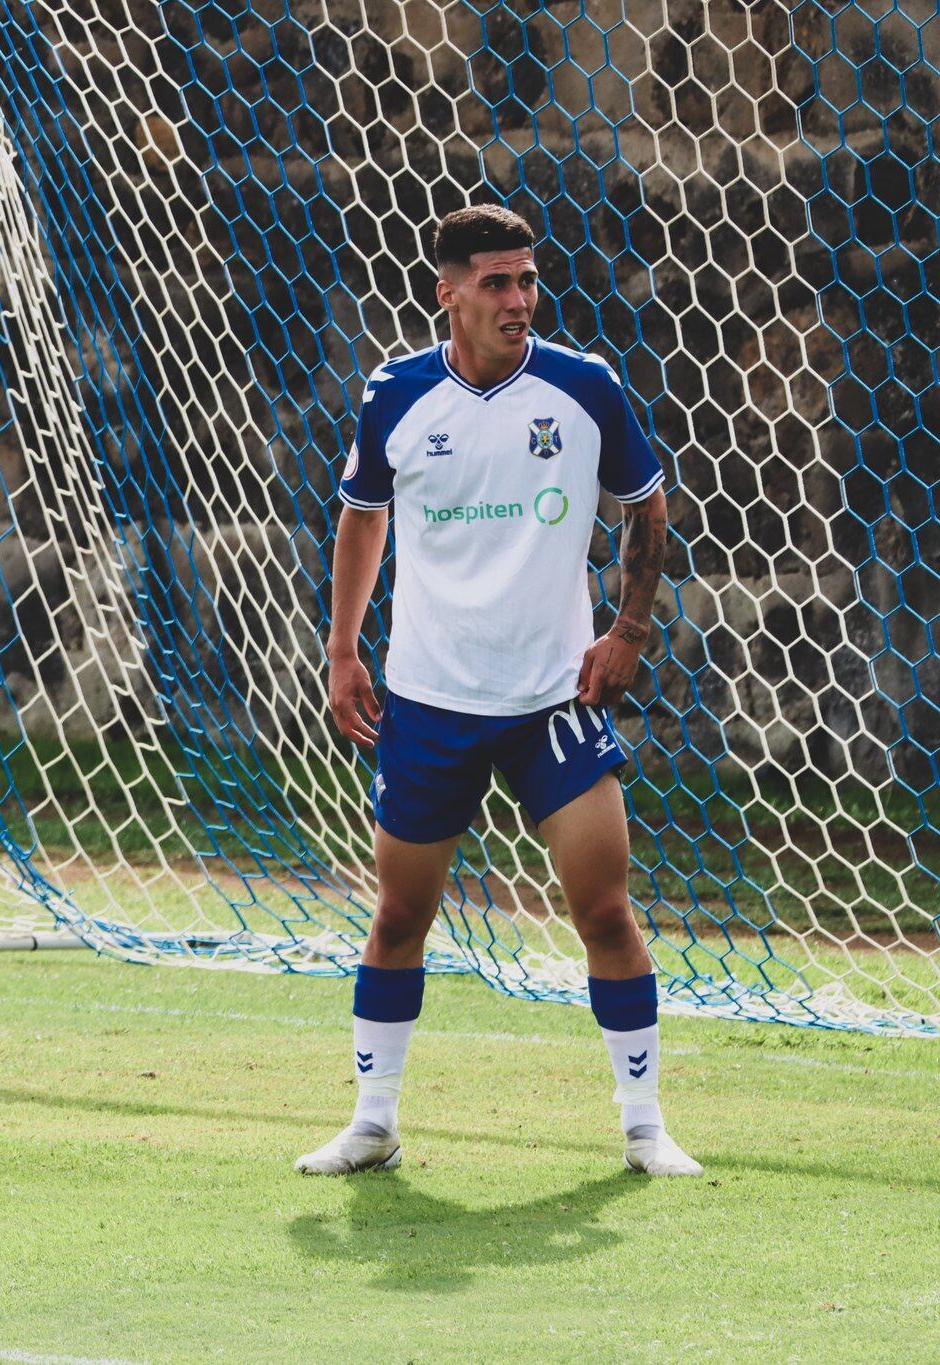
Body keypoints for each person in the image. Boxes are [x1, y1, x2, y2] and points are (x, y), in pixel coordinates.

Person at [298, 205, 701, 1178]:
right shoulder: (392, 394)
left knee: (604, 910)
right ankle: (373, 1121)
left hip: (552, 700)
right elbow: (361, 519)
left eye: (526, 280)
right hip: (428, 700)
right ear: (446, 292)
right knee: (398, 917)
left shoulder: (582, 388)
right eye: (495, 283)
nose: (518, 300)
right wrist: (342, 648)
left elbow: (647, 507)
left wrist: (628, 627)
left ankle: (644, 1128)